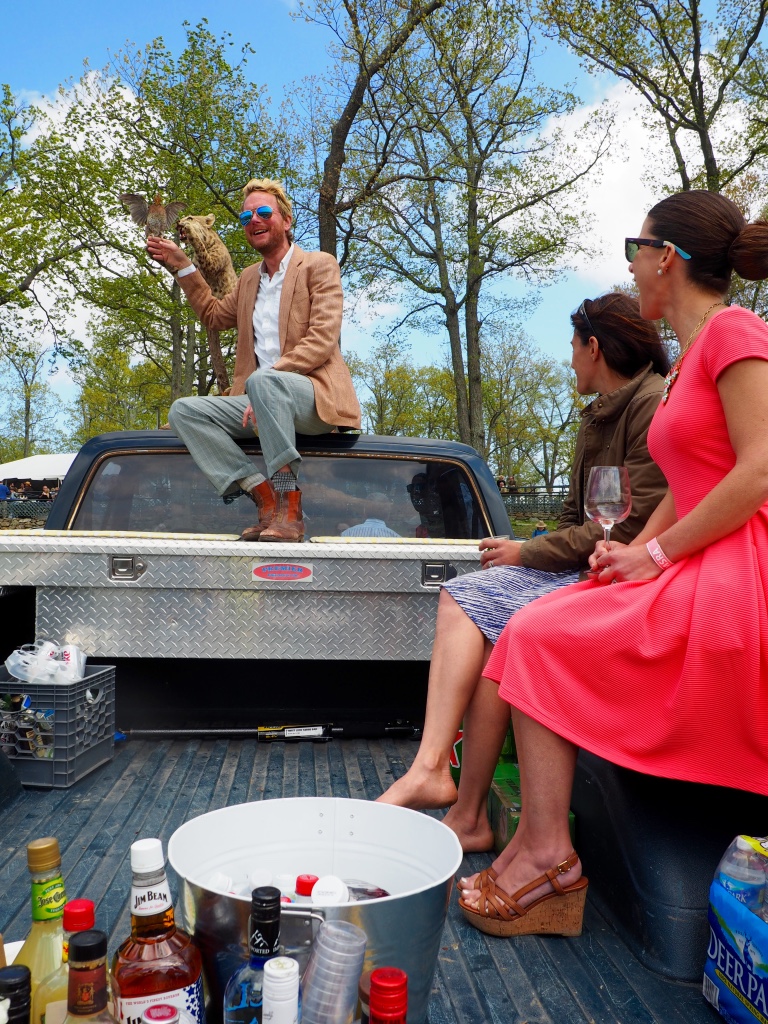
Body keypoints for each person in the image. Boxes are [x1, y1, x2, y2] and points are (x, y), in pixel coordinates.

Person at [456, 190, 768, 939]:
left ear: (667, 257)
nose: (631, 266)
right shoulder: (693, 355)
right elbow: (692, 480)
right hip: (692, 559)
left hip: (739, 578)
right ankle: (538, 846)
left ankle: (546, 857)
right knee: (533, 623)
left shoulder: (735, 330)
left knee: (538, 635)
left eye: (638, 247)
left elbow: (758, 471)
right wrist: (631, 552)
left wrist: (655, 554)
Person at [378, 292, 670, 849]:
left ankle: (432, 768)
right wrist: (527, 544)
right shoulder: (598, 415)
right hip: (589, 559)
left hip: (628, 573)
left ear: (595, 347)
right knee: (494, 639)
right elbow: (571, 518)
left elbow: (628, 531)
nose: (569, 360)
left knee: (461, 595)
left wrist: (524, 554)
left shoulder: (650, 406)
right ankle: (469, 819)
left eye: (572, 346)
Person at [146, 178, 361, 542]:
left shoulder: (318, 266)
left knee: (263, 382)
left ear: (286, 220)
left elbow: (322, 339)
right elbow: (213, 315)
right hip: (259, 403)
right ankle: (263, 498)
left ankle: (290, 507)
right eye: (246, 216)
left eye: (264, 212)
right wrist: (183, 266)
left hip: (312, 398)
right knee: (183, 411)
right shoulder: (249, 280)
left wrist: (270, 379)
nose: (254, 220)